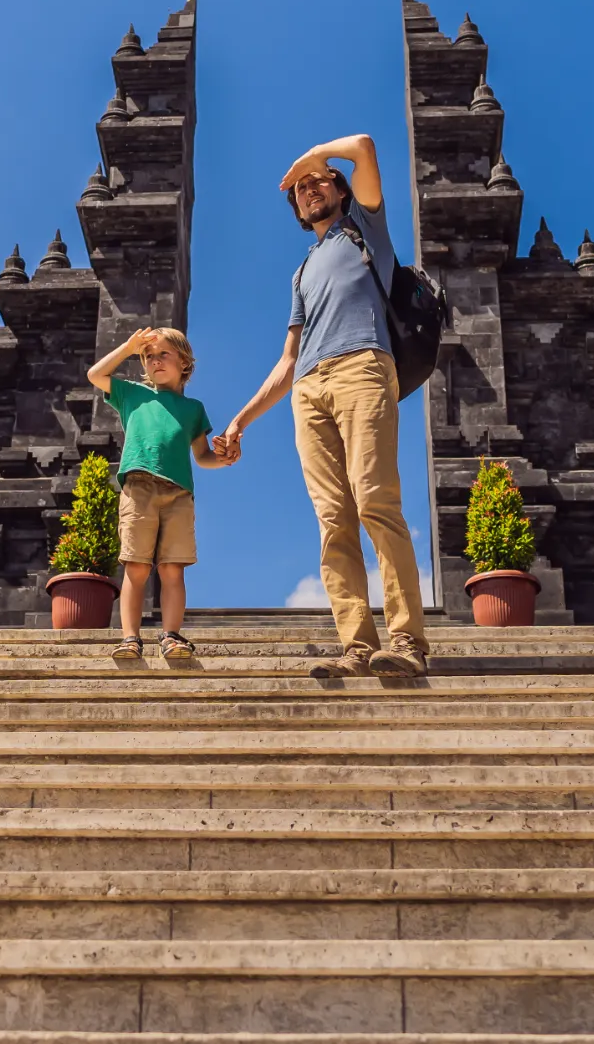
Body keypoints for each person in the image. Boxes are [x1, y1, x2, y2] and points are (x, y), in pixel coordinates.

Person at [221, 133, 430, 679]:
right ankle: (357, 644)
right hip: (309, 388)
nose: (309, 189)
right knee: (333, 519)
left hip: (362, 366)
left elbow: (362, 146)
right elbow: (288, 359)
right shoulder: (301, 272)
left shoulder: (364, 228)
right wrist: (242, 419)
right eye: (301, 189)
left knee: (375, 501)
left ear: (340, 189)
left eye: (319, 181)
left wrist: (307, 159)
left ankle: (407, 640)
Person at [86, 326, 231, 662]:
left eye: (163, 353)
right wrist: (127, 347)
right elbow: (95, 374)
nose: (155, 360)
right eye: (148, 356)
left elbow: (202, 456)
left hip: (178, 495)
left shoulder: (194, 409)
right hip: (138, 490)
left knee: (172, 569)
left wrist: (222, 460)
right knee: (136, 568)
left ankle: (171, 635)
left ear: (185, 363)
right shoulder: (132, 394)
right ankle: (130, 638)